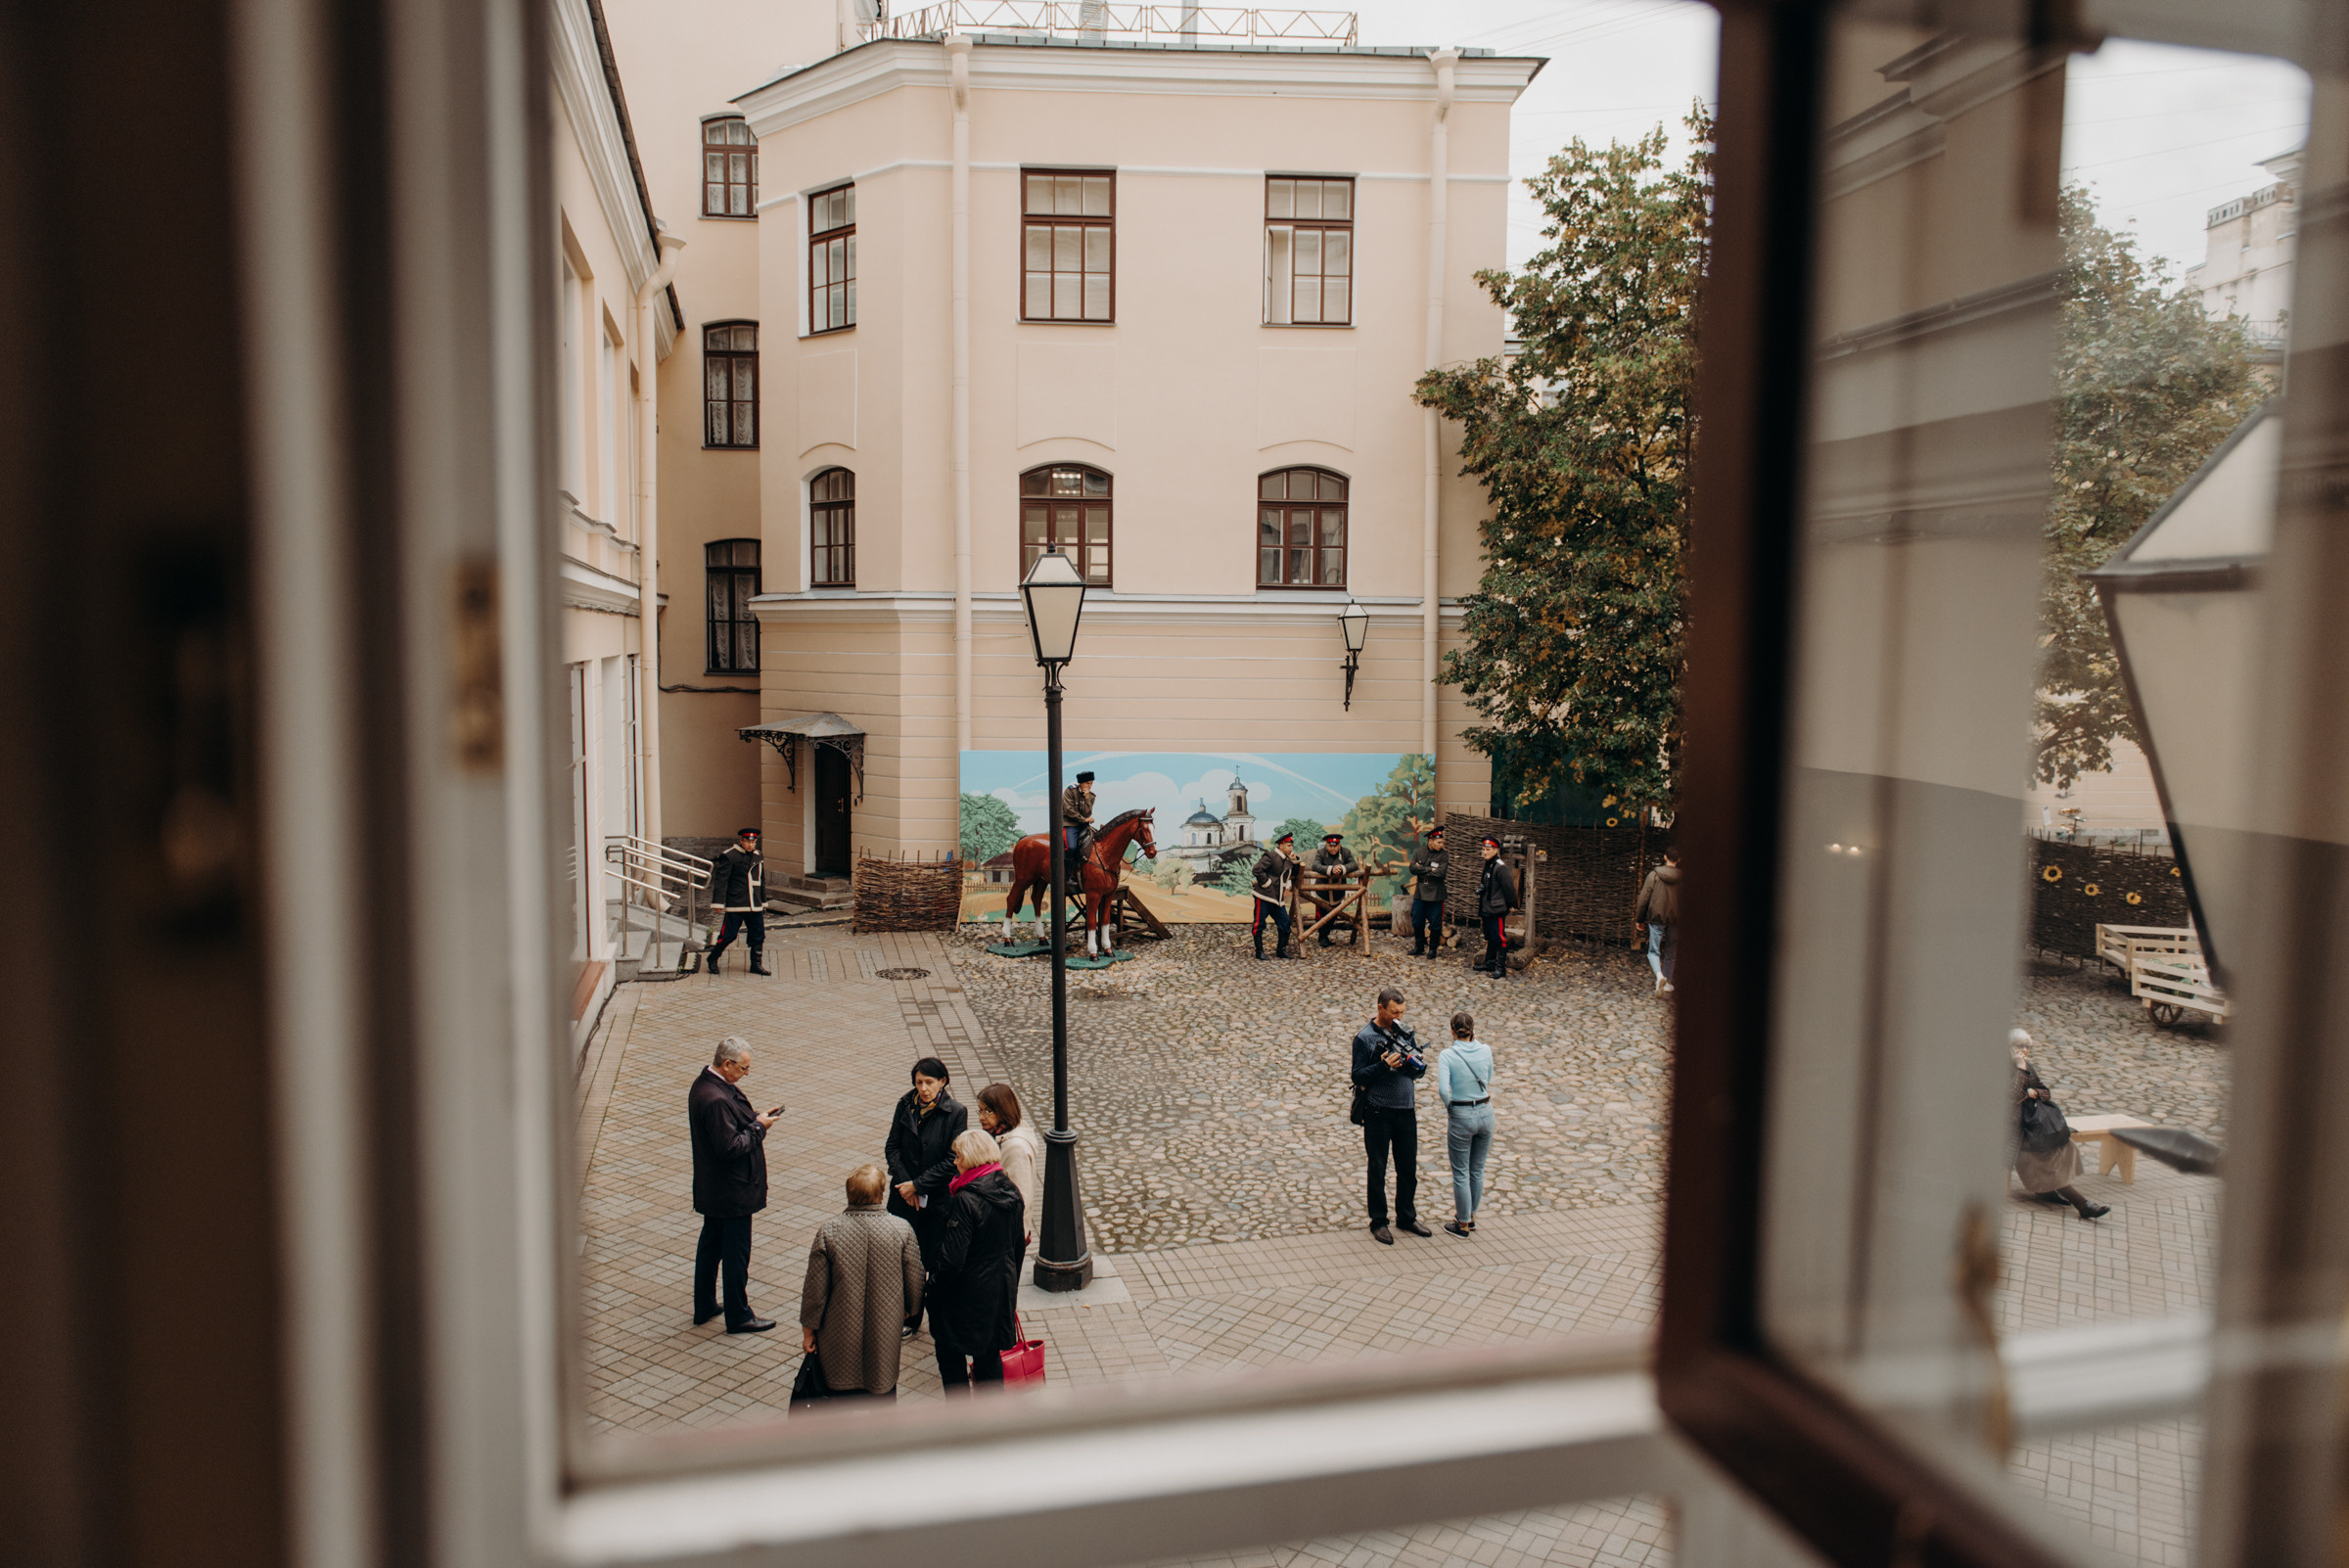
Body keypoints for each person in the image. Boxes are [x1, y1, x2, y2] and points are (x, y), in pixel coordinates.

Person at [798, 1163, 926, 1404]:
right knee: (883, 1395)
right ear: (881, 1193)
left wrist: (808, 1331)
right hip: (884, 1334)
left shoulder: (829, 1231)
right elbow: (916, 1279)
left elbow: (815, 1291)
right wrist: (910, 1309)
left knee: (838, 1403)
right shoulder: (901, 1229)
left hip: (837, 1335)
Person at [688, 1036, 784, 1332]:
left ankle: (704, 1305)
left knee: (711, 1246)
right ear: (726, 1064)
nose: (746, 1074)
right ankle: (739, 1315)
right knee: (735, 1253)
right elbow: (729, 1147)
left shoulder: (707, 1085)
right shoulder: (716, 1097)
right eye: (743, 1068)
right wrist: (758, 1126)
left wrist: (752, 1119)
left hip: (715, 1189)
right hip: (732, 1191)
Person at [929, 1129, 1029, 1392]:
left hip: (965, 1296)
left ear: (971, 1158)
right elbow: (1018, 1247)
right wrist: (1009, 1285)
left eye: (958, 1155)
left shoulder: (965, 1200)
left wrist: (933, 1286)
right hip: (998, 1291)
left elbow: (952, 1260)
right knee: (988, 1358)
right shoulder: (1010, 1191)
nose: (954, 1161)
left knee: (951, 1358)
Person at [885, 1057, 968, 1334]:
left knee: (932, 1257)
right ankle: (910, 1315)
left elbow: (951, 1160)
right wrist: (906, 1183)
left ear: (942, 1082)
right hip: (903, 1196)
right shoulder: (905, 1104)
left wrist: (918, 1185)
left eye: (929, 1082)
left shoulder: (956, 1112)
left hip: (936, 1200)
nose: (923, 1088)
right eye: (919, 1082)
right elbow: (892, 1147)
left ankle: (935, 1315)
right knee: (904, 1257)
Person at [1352, 986, 1428, 1244]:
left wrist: (1414, 1067)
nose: (1399, 1018)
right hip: (1378, 1110)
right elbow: (1358, 1075)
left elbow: (1417, 1069)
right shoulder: (1364, 1038)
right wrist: (1383, 1066)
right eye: (1394, 1012)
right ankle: (1379, 1221)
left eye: (1402, 1012)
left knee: (1408, 1168)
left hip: (1406, 1109)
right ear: (1380, 1008)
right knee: (1378, 1167)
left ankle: (1406, 1216)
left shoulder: (1405, 1033)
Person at [2011, 1030, 2109, 1220]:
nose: (2024, 1050)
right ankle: (2082, 1204)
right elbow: (2012, 1095)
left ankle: (2047, 1190)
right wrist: (2020, 1068)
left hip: (2033, 1123)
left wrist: (2033, 1093)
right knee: (2044, 1155)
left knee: (2063, 1143)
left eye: (2026, 1047)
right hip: (2013, 1129)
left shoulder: (2026, 1066)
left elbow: (2045, 1092)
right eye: (2019, 1046)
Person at [1434, 1011, 1496, 1239]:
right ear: (1473, 1029)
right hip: (1486, 1111)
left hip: (1461, 1112)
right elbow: (1488, 1078)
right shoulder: (1486, 1050)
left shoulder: (1447, 1056)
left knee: (1461, 1172)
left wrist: (1451, 1106)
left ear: (1452, 1031)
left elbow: (1442, 1089)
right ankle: (1471, 1216)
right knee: (1477, 1169)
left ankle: (1462, 1224)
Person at [977, 1083, 1041, 1246]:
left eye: (988, 1111)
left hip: (1007, 1234)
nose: (981, 1117)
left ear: (1003, 1110)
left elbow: (1020, 1197)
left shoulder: (1015, 1148)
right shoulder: (999, 1135)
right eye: (980, 1110)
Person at [706, 826, 770, 977]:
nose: (750, 845)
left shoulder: (758, 855)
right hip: (736, 902)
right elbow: (721, 881)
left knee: (758, 934)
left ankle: (756, 964)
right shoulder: (729, 856)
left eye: (753, 842)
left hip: (755, 903)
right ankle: (713, 958)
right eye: (748, 841)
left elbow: (761, 880)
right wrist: (718, 903)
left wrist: (764, 902)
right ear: (741, 841)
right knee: (728, 935)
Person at [1635, 849, 1681, 995]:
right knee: (1671, 952)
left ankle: (1659, 976)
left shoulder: (1654, 875)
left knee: (1653, 951)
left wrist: (1639, 919)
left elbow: (1644, 899)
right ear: (1679, 860)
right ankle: (1667, 983)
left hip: (1656, 917)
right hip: (1676, 919)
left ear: (1665, 857)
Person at [1475, 837, 1519, 980]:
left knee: (1500, 938)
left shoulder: (1500, 867)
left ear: (1496, 850)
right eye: (1483, 849)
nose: (1484, 852)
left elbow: (1509, 889)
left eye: (1488, 849)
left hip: (1497, 909)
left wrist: (1512, 904)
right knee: (1490, 937)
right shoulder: (1489, 864)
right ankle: (1489, 963)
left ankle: (1501, 968)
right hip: (1487, 908)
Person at [1251, 831, 1300, 960]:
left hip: (1278, 899)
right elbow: (1257, 869)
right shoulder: (1271, 855)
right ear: (1281, 845)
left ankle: (1281, 950)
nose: (1291, 848)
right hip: (1264, 896)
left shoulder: (1287, 859)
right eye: (1288, 845)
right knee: (1259, 924)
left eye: (1291, 845)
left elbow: (1295, 872)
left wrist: (1294, 860)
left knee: (1285, 922)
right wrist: (1267, 883)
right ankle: (1259, 951)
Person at [1312, 830, 1361, 946]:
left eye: (1336, 846)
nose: (1333, 849)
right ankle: (1322, 937)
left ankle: (1325, 935)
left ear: (1339, 845)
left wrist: (1342, 869)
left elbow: (1353, 864)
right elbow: (1315, 865)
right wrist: (1330, 870)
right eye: (1330, 846)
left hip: (1338, 892)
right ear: (1326, 845)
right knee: (1323, 915)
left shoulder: (1346, 852)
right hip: (1322, 892)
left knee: (1333, 915)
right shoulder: (1320, 852)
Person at [1408, 827, 1450, 958]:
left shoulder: (1444, 855)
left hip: (1436, 893)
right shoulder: (1419, 851)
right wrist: (1430, 869)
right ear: (1430, 840)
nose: (1441, 845)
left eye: (1442, 843)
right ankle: (1419, 946)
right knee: (1417, 920)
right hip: (1420, 892)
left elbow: (1440, 873)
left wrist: (1422, 869)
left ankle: (1433, 949)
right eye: (1439, 843)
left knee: (1436, 923)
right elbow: (1412, 868)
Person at [1061, 769, 1097, 865]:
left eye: (1091, 783)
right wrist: (1084, 819)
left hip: (1084, 826)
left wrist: (1087, 798)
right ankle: (1067, 877)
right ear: (1081, 783)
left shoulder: (1091, 796)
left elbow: (1088, 812)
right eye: (1087, 783)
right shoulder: (1070, 791)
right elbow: (1068, 810)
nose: (1089, 786)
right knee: (1071, 847)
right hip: (1070, 824)